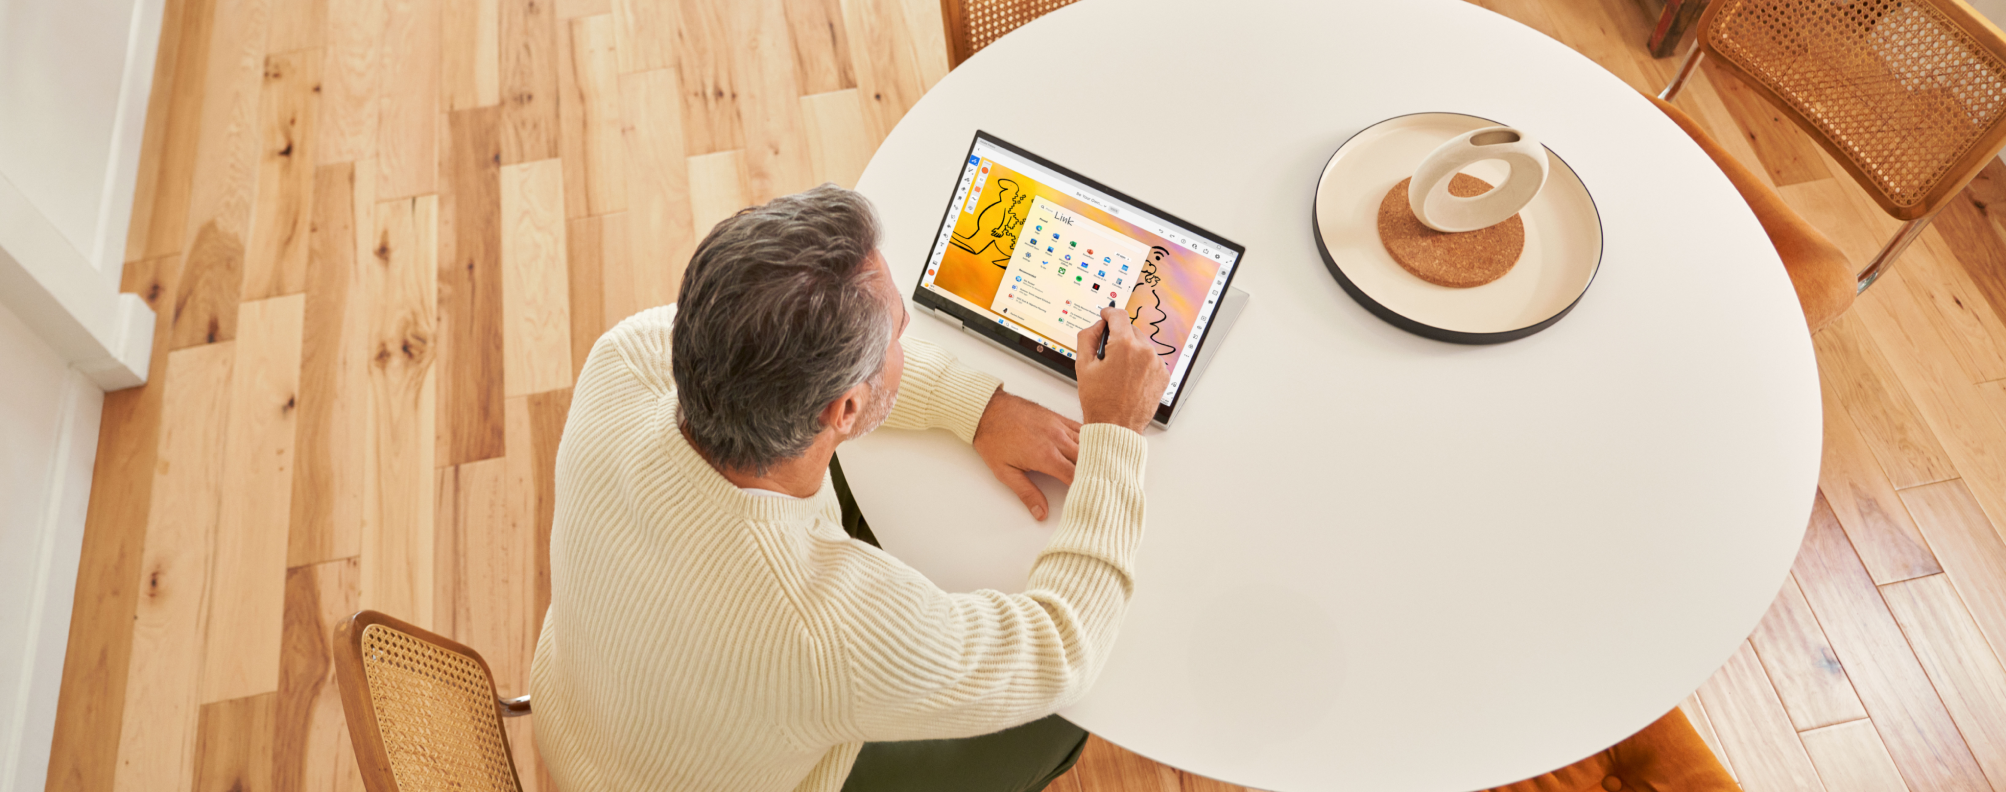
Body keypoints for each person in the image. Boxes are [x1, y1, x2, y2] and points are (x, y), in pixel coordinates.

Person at [529, 184, 1171, 792]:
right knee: (1058, 723)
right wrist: (1115, 431)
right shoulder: (826, 632)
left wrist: (980, 408)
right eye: (896, 331)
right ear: (843, 411)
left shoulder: (625, 359)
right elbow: (1060, 651)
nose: (907, 331)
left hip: (586, 718)